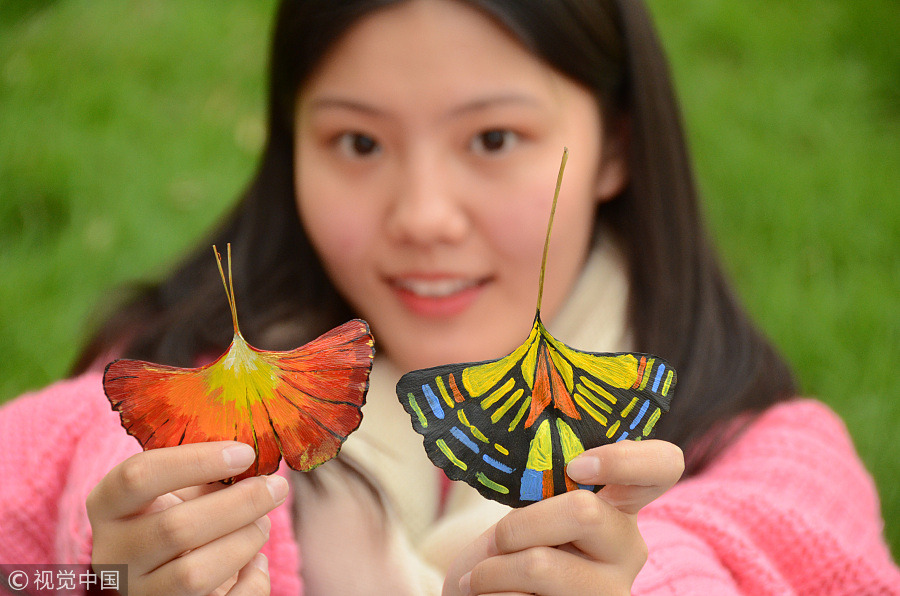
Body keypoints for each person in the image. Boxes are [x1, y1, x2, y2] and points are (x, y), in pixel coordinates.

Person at [1, 0, 897, 594]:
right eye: (358, 143)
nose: (423, 216)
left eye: (494, 137)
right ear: (292, 147)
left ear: (617, 145)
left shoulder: (767, 458)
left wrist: (664, 575)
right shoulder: (160, 404)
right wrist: (98, 580)